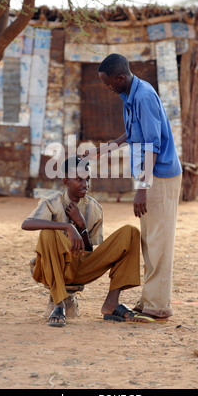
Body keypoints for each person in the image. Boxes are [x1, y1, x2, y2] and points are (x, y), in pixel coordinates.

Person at [84, 53, 182, 321]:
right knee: (151, 240)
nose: (107, 88)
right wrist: (101, 151)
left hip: (159, 177)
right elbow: (133, 133)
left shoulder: (144, 96)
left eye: (108, 83)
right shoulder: (129, 96)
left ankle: (159, 306)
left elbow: (152, 144)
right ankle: (151, 299)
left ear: (120, 77)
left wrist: (142, 188)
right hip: (150, 176)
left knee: (159, 241)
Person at [21, 156, 142, 327]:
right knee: (48, 232)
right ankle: (59, 304)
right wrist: (68, 227)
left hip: (80, 268)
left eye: (88, 179)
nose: (85, 184)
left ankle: (111, 303)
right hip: (52, 269)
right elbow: (26, 224)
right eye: (79, 179)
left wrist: (81, 226)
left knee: (131, 232)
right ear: (66, 181)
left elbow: (88, 251)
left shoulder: (94, 208)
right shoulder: (52, 203)